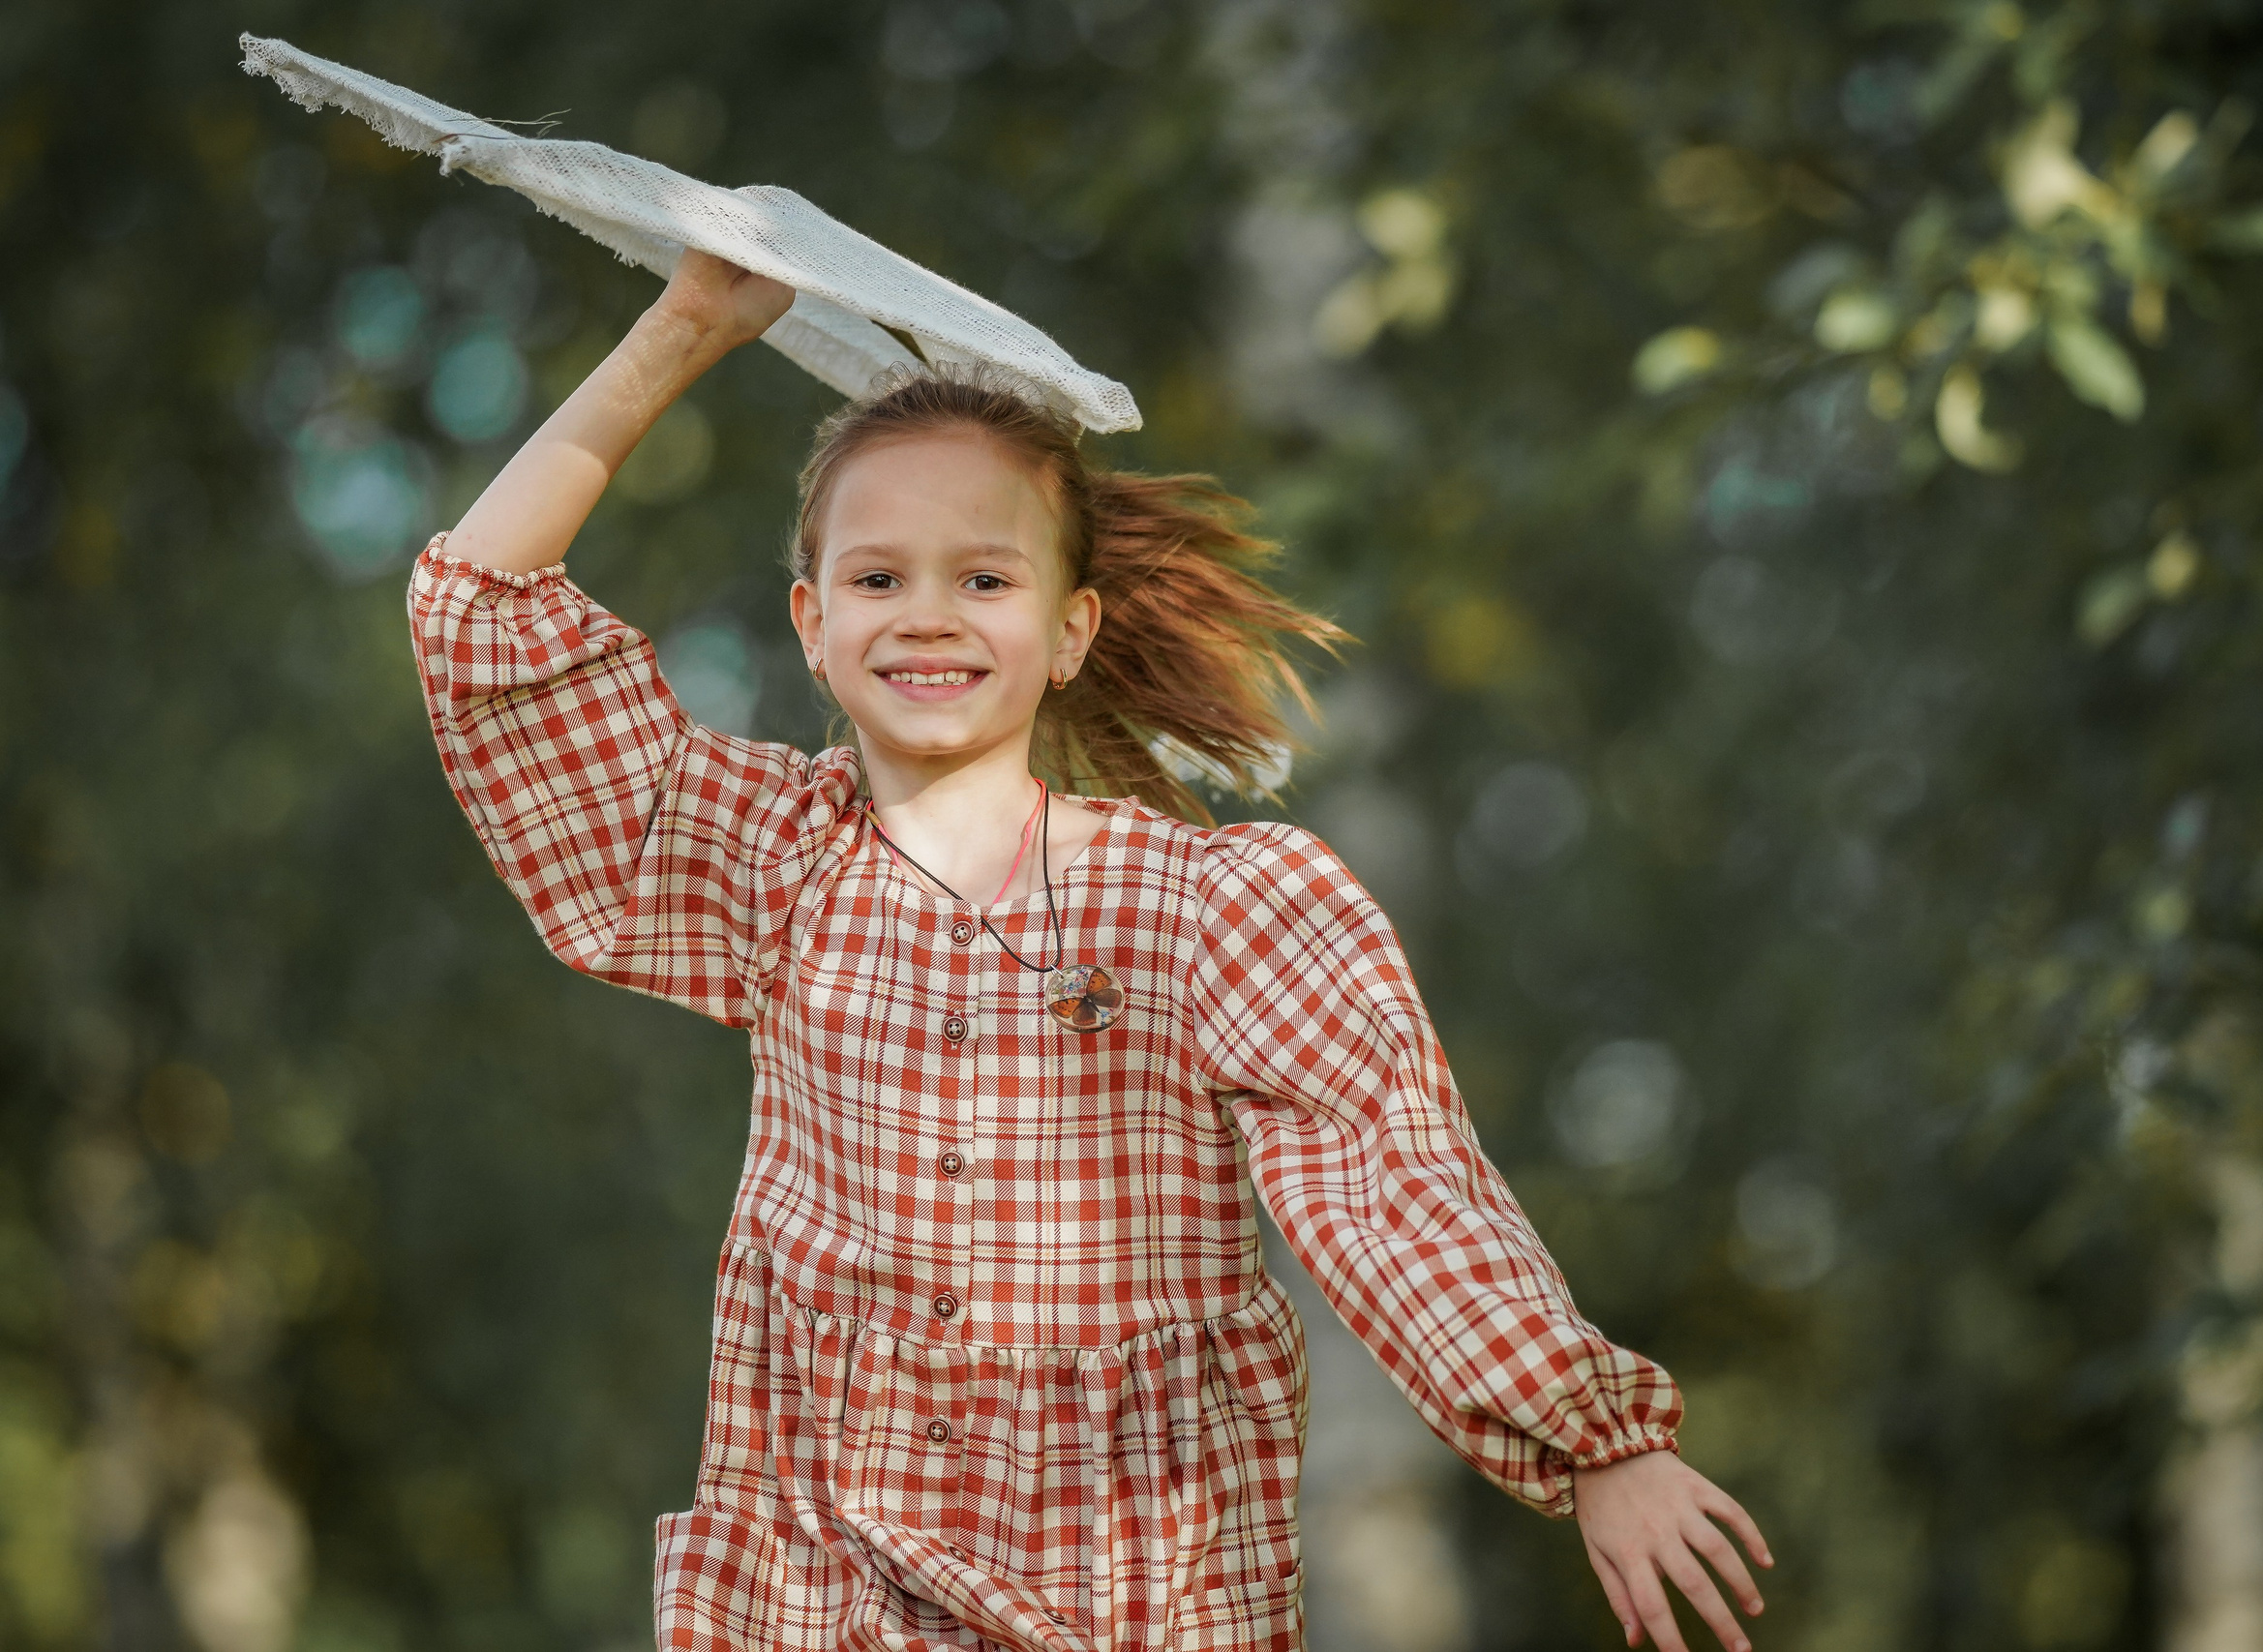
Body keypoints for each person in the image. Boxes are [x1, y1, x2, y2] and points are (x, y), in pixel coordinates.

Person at [411, 249, 1772, 1652]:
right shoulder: (773, 862)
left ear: (1068, 633)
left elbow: (1388, 1184)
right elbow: (483, 621)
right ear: (814, 627)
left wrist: (1594, 1439)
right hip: (826, 1580)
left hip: (1131, 1584)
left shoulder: (1213, 912)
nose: (929, 614)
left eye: (984, 576)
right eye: (879, 576)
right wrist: (685, 328)